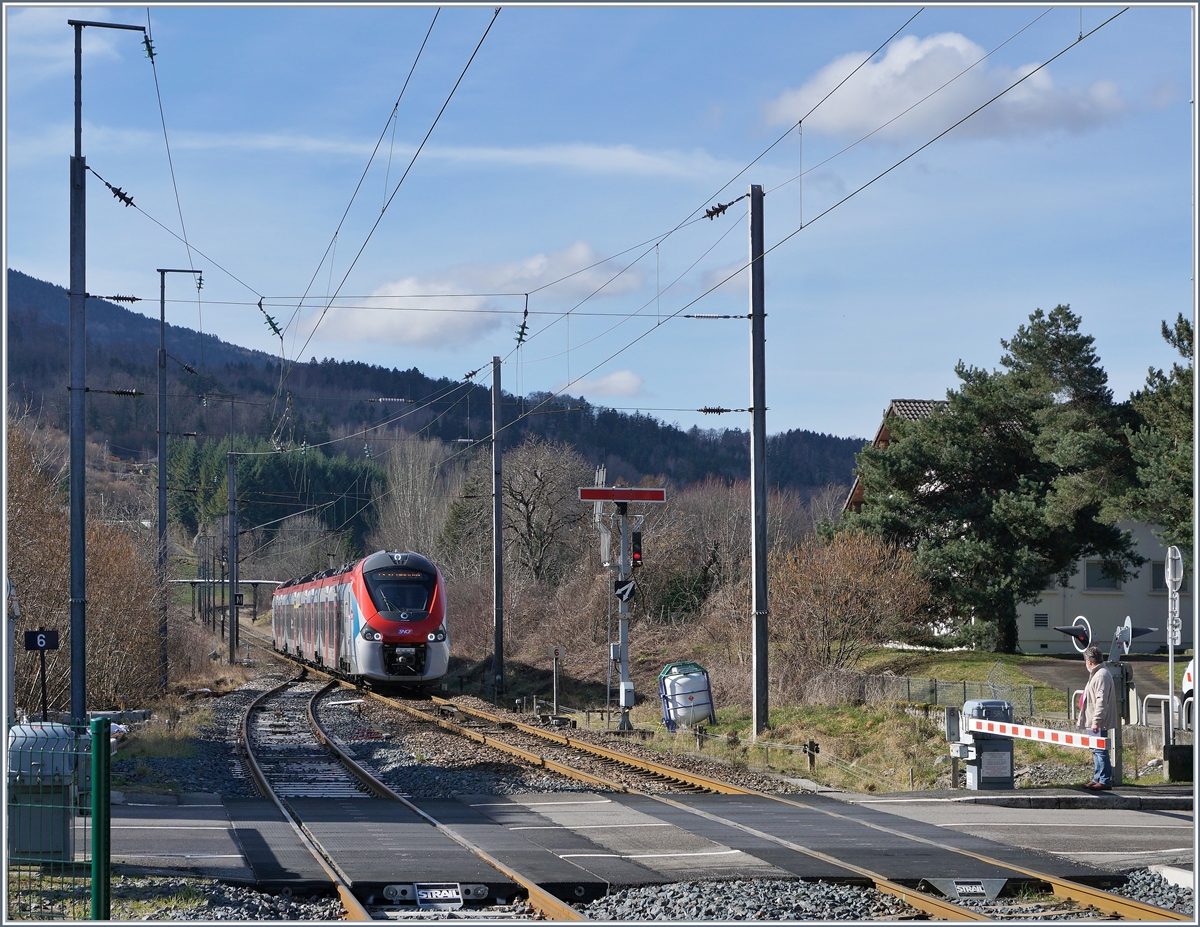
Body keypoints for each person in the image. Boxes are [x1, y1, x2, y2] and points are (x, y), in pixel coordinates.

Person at [1078, 644, 1116, 790]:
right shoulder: (1098, 673)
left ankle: (1105, 780)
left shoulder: (1101, 675)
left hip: (1097, 721)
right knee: (1096, 749)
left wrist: (1097, 721)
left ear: (1089, 661)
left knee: (1100, 750)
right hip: (1093, 719)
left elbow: (1101, 700)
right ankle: (1097, 778)